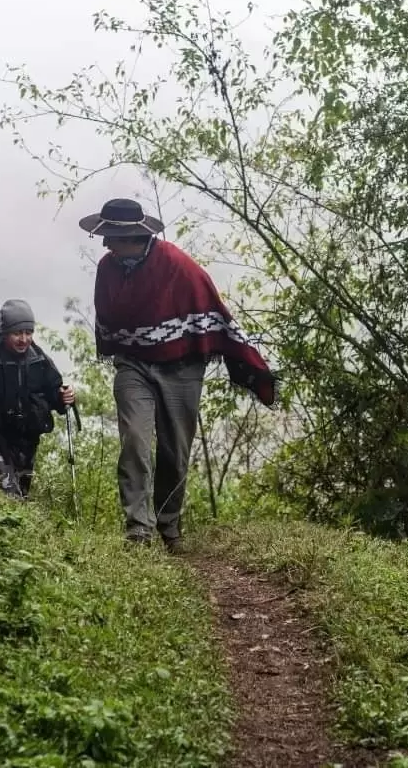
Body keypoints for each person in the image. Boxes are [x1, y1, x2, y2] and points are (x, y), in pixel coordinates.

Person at [78, 198, 278, 552]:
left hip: (181, 366)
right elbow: (107, 316)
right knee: (135, 441)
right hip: (133, 365)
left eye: (110, 236)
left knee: (174, 450)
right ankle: (139, 529)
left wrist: (248, 363)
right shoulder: (107, 268)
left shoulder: (176, 265)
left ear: (132, 236)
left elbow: (214, 311)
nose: (105, 243)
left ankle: (170, 527)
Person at [0, 299, 76, 499]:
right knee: (10, 497)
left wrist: (65, 397)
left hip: (26, 442)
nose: (24, 339)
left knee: (21, 497)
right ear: (4, 332)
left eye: (28, 333)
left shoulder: (38, 359)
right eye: (17, 333)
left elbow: (54, 392)